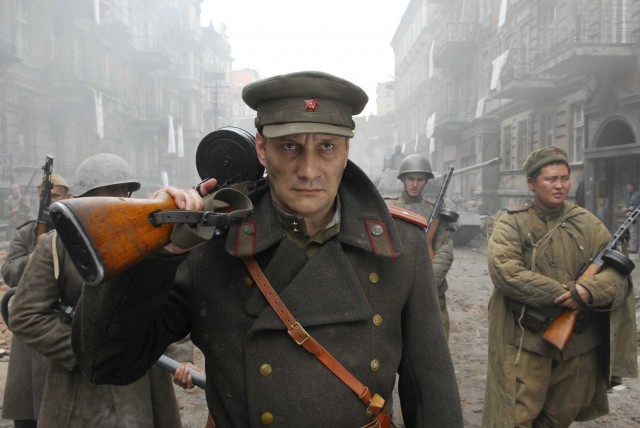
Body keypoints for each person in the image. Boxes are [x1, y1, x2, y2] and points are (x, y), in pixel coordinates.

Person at [70, 71, 463, 427]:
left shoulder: (400, 245)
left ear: (346, 150)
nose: (309, 170)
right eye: (289, 146)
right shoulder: (209, 242)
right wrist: (156, 252)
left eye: (326, 146)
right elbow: (106, 362)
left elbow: (431, 394)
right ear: (261, 149)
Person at [9, 153, 194, 427]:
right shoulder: (54, 246)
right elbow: (25, 314)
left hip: (141, 383)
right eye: (110, 191)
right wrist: (89, 350)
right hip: (78, 391)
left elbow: (165, 305)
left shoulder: (149, 240)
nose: (121, 198)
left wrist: (182, 359)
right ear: (87, 197)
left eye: (124, 190)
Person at [482, 145, 637, 427]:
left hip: (579, 345)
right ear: (531, 183)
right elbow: (506, 271)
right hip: (528, 342)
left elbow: (617, 276)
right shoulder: (512, 223)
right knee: (517, 417)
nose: (559, 185)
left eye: (564, 178)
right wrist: (566, 295)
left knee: (559, 418)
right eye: (550, 179)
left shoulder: (587, 223)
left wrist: (588, 292)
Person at [1, 173, 72, 428]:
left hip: (63, 327)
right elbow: (9, 274)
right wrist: (35, 256)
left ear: (68, 197)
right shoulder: (26, 233)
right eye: (45, 196)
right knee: (28, 411)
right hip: (32, 334)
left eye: (55, 196)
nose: (49, 201)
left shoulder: (75, 229)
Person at [386, 154, 456, 339]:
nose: (415, 184)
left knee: (434, 347)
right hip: (396, 294)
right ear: (402, 179)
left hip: (431, 295)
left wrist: (426, 285)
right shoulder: (387, 209)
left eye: (420, 179)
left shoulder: (434, 210)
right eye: (410, 179)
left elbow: (445, 252)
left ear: (426, 182)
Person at [622, 182, 640, 256]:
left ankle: (634, 248)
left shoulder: (637, 194)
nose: (629, 188)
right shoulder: (629, 195)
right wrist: (624, 208)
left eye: (630, 187)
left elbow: (636, 206)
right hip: (630, 216)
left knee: (634, 232)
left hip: (636, 215)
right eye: (628, 187)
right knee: (631, 231)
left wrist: (628, 209)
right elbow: (627, 204)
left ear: (633, 187)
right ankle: (633, 247)